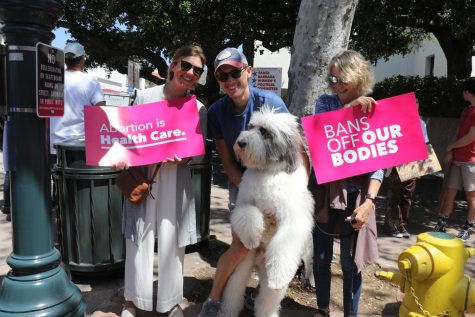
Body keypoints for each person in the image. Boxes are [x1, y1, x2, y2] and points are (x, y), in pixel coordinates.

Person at [198, 47, 293, 317]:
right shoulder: (217, 112)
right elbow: (227, 160)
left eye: (234, 73)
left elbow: (293, 149)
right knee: (242, 245)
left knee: (272, 247)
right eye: (222, 76)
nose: (229, 81)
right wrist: (246, 189)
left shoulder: (271, 103)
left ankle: (259, 298)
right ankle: (215, 301)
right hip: (243, 182)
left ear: (248, 72)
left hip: (276, 183)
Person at [117, 44, 207, 317]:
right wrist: (122, 157)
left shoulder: (198, 108)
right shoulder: (143, 97)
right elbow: (125, 139)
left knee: (172, 242)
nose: (190, 72)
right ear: (173, 64)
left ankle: (169, 302)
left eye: (197, 70)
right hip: (142, 177)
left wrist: (186, 159)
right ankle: (132, 301)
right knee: (137, 237)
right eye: (186, 65)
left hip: (175, 180)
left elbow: (200, 155)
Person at [309, 50, 383, 317]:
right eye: (333, 78)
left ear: (359, 78)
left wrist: (369, 204)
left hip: (357, 197)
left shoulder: (375, 110)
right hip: (325, 192)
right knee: (320, 259)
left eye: (344, 79)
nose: (337, 85)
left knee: (350, 263)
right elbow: (320, 143)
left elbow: (379, 164)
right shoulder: (324, 103)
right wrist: (347, 111)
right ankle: (323, 309)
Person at [433, 77, 475, 242]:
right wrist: (451, 151)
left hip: (470, 161)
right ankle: (442, 223)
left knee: (471, 197)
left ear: (467, 91)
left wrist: (451, 147)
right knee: (450, 192)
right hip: (458, 159)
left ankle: (468, 227)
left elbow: (471, 137)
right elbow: (459, 133)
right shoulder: (466, 111)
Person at [49, 42, 105, 163]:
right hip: (80, 146)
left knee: (56, 180)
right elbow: (101, 112)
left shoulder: (53, 78)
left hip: (54, 145)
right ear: (82, 59)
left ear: (65, 60)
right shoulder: (91, 82)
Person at [384, 103, 429, 238]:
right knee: (394, 195)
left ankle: (402, 225)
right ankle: (391, 225)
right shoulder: (395, 121)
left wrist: (423, 165)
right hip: (397, 161)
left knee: (407, 196)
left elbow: (425, 142)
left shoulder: (421, 123)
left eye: (416, 104)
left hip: (412, 162)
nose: (414, 106)